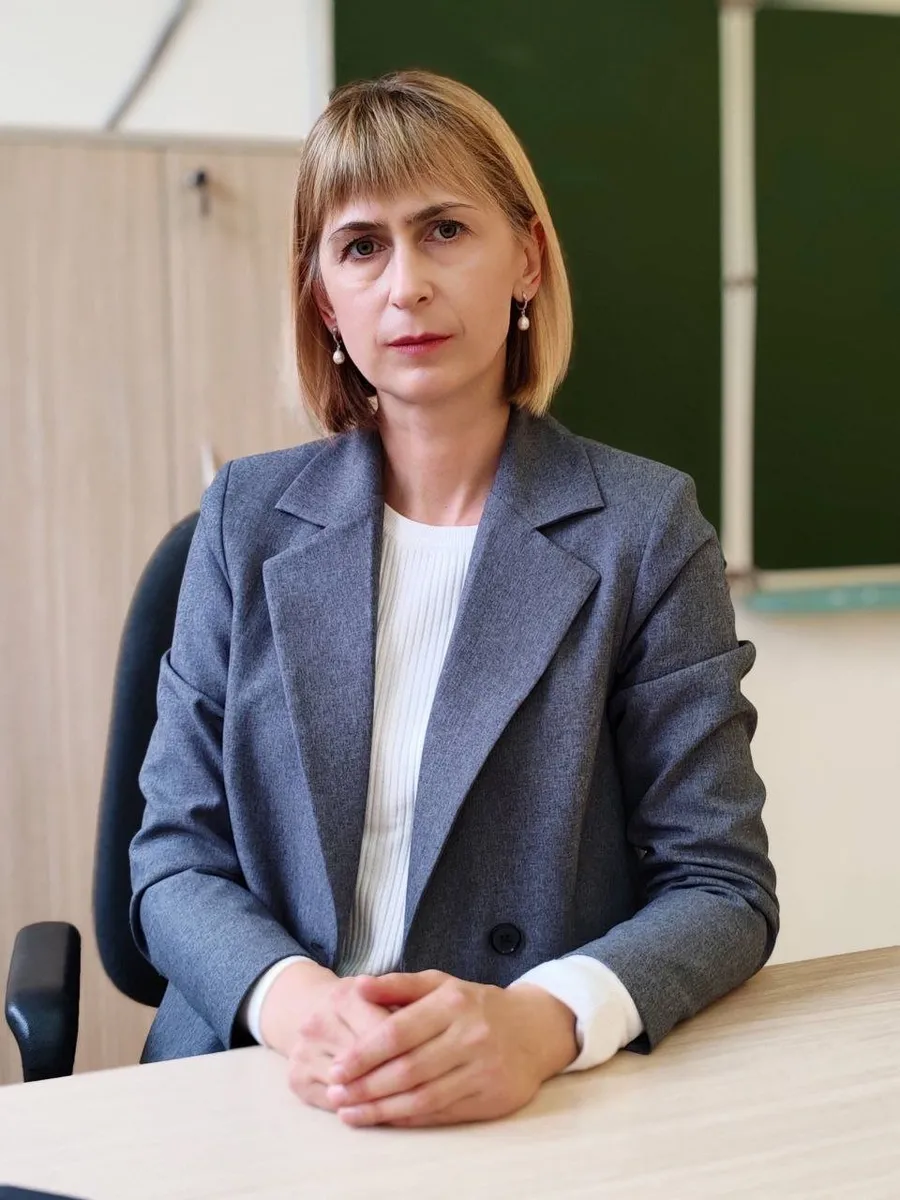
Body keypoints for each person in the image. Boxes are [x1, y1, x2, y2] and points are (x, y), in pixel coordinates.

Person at [129, 68, 778, 1130]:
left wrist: (543, 1021)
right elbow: (172, 860)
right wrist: (300, 1006)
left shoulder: (643, 528)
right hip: (260, 1076)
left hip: (524, 1095)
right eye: (361, 247)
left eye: (443, 231)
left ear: (527, 258)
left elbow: (721, 884)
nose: (406, 286)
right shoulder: (246, 519)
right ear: (324, 298)